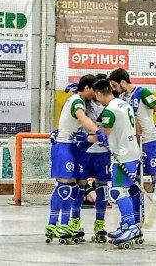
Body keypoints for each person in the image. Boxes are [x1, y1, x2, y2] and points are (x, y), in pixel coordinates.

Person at [108, 68, 156, 247]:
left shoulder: (143, 92)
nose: (114, 89)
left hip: (152, 144)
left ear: (123, 82)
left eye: (115, 85)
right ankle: (134, 226)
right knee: (132, 187)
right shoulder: (120, 100)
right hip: (133, 147)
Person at [74, 79, 142, 248]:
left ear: (98, 93)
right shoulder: (123, 104)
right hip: (132, 152)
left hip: (123, 156)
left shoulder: (109, 110)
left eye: (96, 97)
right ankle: (127, 226)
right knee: (124, 190)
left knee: (118, 191)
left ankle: (131, 227)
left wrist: (87, 138)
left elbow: (104, 132)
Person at [45, 74, 108, 244]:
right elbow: (82, 117)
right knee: (65, 185)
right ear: (87, 88)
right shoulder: (76, 101)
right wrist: (98, 132)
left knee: (72, 186)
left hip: (74, 147)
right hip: (64, 145)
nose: (95, 94)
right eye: (93, 90)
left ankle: (58, 224)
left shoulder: (80, 99)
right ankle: (58, 224)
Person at [68, 74, 111, 244]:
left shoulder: (109, 103)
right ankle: (75, 222)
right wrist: (75, 90)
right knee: (80, 185)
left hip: (102, 151)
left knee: (102, 186)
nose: (95, 94)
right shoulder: (83, 100)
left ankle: (100, 225)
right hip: (84, 150)